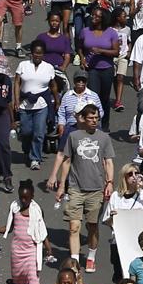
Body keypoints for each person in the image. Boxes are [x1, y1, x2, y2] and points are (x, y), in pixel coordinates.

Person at [51, 104, 116, 272]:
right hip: (75, 188)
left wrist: (110, 182)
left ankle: (91, 257)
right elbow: (66, 161)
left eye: (96, 118)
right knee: (74, 227)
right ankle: (74, 263)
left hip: (96, 189)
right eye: (91, 118)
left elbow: (109, 162)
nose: (94, 121)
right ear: (83, 119)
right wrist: (61, 186)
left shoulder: (104, 138)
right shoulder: (73, 136)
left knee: (92, 226)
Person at [2, 179, 48, 284]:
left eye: (26, 198)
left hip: (31, 251)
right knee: (18, 278)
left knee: (33, 278)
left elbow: (42, 231)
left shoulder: (37, 210)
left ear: (32, 196)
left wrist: (48, 246)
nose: (23, 200)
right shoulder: (14, 208)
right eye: (21, 197)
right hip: (17, 251)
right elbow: (9, 227)